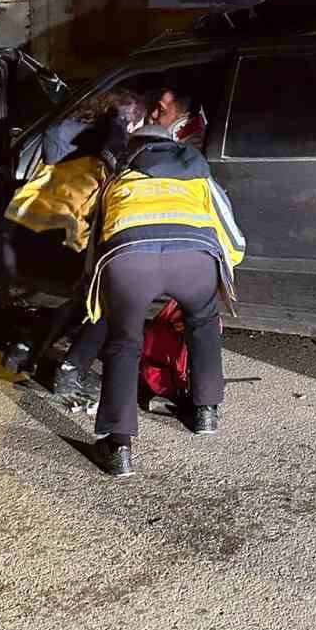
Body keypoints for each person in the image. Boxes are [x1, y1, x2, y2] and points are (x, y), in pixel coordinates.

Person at [83, 113, 245, 476]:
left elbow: (97, 244)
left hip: (129, 263)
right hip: (193, 261)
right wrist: (222, 268)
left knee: (124, 342)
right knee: (202, 322)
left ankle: (118, 446)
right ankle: (205, 412)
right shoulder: (200, 176)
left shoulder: (119, 180)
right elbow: (232, 237)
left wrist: (98, 289)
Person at [48, 81, 210, 403]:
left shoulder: (182, 136)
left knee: (108, 298)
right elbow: (111, 165)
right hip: (111, 223)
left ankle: (67, 363)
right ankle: (69, 369)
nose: (153, 113)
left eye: (159, 110)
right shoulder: (135, 128)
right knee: (110, 299)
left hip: (120, 224)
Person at [0, 90, 144, 377]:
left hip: (24, 230)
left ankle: (24, 347)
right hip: (68, 236)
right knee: (99, 298)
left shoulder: (60, 132)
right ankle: (69, 369)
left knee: (67, 296)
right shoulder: (108, 147)